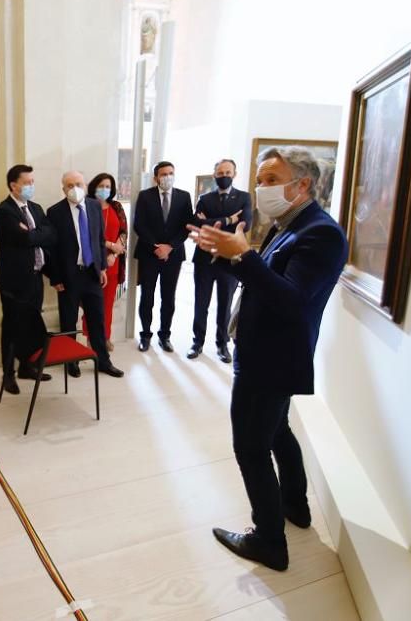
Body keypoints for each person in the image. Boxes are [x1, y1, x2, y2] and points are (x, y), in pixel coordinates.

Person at [188, 147, 348, 572]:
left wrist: (242, 255)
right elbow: (265, 279)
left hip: (271, 357)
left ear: (302, 185)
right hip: (263, 348)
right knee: (277, 431)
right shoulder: (289, 223)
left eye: (272, 178)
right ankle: (296, 506)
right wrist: (226, 252)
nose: (262, 188)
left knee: (250, 448)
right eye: (260, 179)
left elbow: (292, 301)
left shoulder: (322, 233)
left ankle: (269, 540)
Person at [45, 171, 124, 378]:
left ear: (85, 184)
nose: (74, 188)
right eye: (69, 185)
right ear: (63, 189)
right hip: (68, 277)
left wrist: (102, 268)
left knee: (97, 319)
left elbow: (99, 239)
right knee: (69, 321)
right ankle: (71, 361)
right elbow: (50, 249)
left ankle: (103, 361)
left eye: (78, 183)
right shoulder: (55, 212)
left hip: (92, 274)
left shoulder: (94, 206)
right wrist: (55, 278)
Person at [0, 164, 56, 395]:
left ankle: (27, 367)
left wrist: (33, 234)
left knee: (32, 326)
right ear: (14, 185)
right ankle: (8, 375)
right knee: (12, 328)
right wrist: (34, 235)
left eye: (33, 182)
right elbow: (23, 240)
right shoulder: (4, 211)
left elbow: (51, 235)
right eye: (27, 182)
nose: (31, 186)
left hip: (35, 278)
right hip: (15, 282)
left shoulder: (36, 208)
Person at [188, 159, 252, 363]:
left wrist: (213, 222)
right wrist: (228, 220)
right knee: (201, 302)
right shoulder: (205, 198)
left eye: (227, 172)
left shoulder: (244, 197)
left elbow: (246, 224)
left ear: (234, 174)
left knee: (225, 304)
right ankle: (197, 342)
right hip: (204, 259)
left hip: (229, 260)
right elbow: (196, 223)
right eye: (220, 172)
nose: (224, 175)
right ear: (214, 175)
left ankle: (222, 344)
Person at [133, 161, 193, 352]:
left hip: (173, 256)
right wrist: (156, 247)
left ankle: (165, 335)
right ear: (156, 177)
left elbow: (186, 226)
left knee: (168, 297)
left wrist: (170, 247)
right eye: (164, 174)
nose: (168, 176)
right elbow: (139, 225)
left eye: (171, 173)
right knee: (147, 296)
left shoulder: (184, 196)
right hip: (149, 254)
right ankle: (145, 335)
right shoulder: (145, 196)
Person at [83, 173, 128, 351]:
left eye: (108, 186)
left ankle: (105, 336)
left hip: (113, 263)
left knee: (108, 304)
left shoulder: (116, 206)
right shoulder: (87, 206)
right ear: (94, 187)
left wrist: (115, 254)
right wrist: (109, 245)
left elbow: (123, 232)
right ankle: (90, 338)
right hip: (94, 263)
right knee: (92, 304)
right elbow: (87, 236)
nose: (104, 190)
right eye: (101, 186)